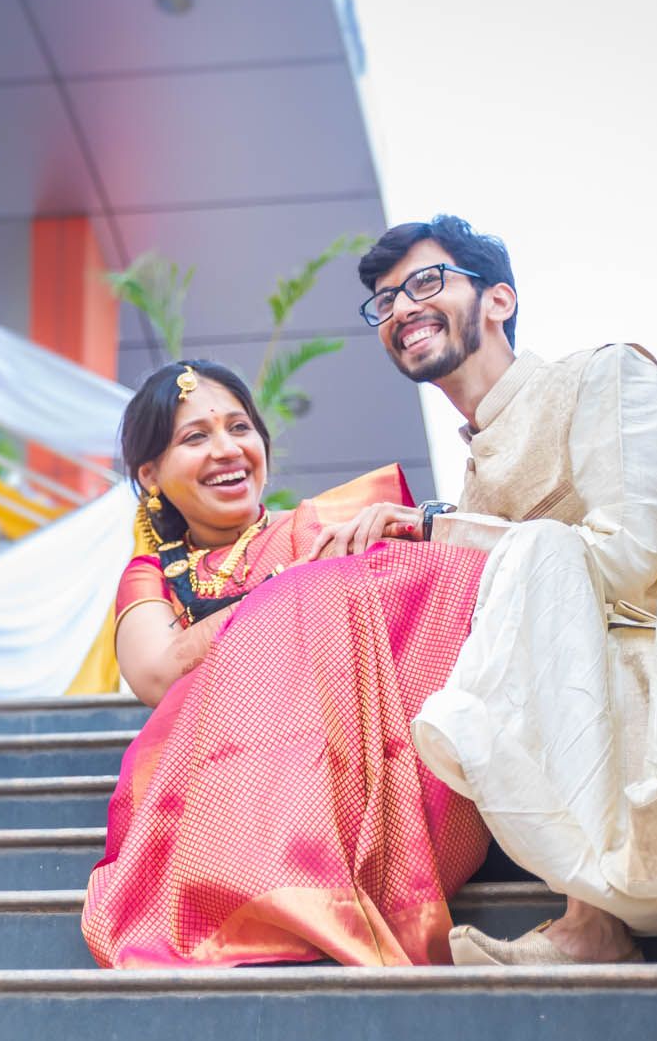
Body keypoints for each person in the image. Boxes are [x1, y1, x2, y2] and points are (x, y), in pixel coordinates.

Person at [316, 214, 657, 965]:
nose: (402, 307)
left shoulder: (607, 374)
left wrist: (440, 529)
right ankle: (593, 921)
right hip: (603, 686)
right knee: (526, 585)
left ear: (499, 300)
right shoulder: (472, 481)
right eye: (385, 300)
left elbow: (634, 554)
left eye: (425, 281)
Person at [81, 361, 492, 968]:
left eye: (238, 428)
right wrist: (288, 592)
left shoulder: (326, 527)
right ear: (151, 475)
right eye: (195, 437)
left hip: (353, 761)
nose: (227, 450)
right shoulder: (153, 576)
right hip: (231, 786)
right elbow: (157, 674)